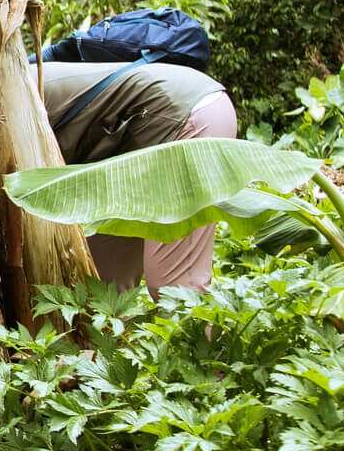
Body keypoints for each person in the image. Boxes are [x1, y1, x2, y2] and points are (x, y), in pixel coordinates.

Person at [39, 60, 238, 294]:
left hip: (185, 118)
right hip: (128, 155)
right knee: (102, 286)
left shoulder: (9, 93)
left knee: (175, 286)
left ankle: (194, 331)